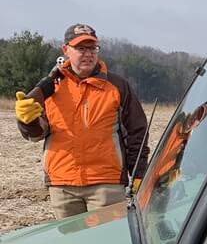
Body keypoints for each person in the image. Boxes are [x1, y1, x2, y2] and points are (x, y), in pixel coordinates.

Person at [14, 23, 149, 219]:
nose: (88, 54)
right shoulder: (50, 87)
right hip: (62, 185)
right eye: (81, 48)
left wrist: (139, 173)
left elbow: (137, 133)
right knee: (70, 240)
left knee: (107, 239)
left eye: (92, 48)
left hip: (106, 184)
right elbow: (36, 134)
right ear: (66, 49)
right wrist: (27, 120)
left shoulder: (118, 86)